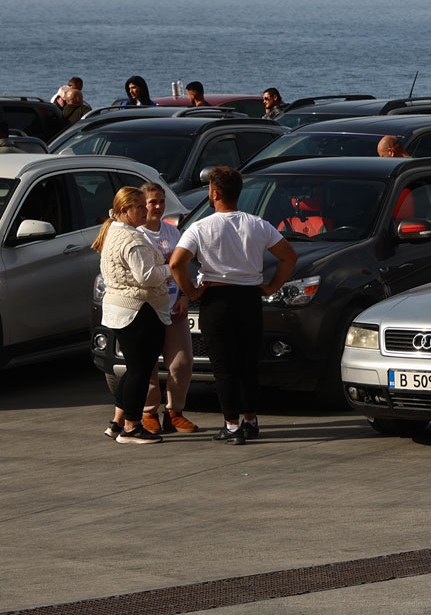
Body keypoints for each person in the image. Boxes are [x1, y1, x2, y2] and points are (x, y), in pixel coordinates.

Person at [169, 166, 298, 445]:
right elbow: (289, 256)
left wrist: (191, 292)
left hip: (216, 299)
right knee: (248, 363)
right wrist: (272, 287)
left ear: (214, 193)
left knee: (223, 365)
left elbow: (176, 263)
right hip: (249, 298)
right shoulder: (257, 223)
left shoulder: (200, 227)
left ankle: (231, 425)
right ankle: (250, 420)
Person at [94, 187, 173, 446]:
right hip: (138, 310)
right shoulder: (132, 239)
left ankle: (118, 421)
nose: (145, 210)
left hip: (123, 309)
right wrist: (169, 268)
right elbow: (146, 276)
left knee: (134, 368)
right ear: (124, 210)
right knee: (141, 371)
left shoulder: (115, 231)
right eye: (140, 206)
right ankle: (132, 427)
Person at [136, 182, 197, 435]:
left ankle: (174, 413)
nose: (158, 207)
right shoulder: (136, 234)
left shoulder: (172, 232)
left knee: (181, 362)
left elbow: (182, 266)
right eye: (153, 202)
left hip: (173, 308)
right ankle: (148, 412)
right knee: (147, 364)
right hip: (147, 308)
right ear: (142, 204)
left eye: (161, 201)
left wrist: (184, 297)